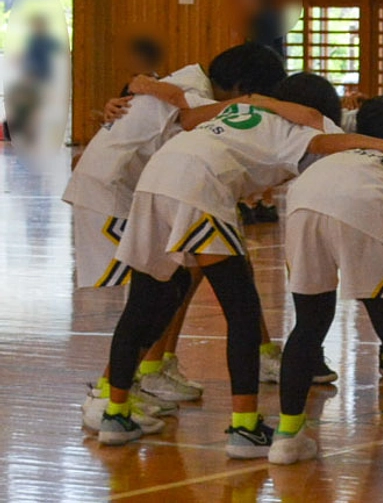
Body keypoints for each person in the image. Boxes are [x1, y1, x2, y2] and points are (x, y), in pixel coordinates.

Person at [95, 72, 383, 458]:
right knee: (243, 313)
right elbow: (325, 137)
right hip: (199, 184)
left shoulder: (237, 111)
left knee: (141, 304)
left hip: (156, 177)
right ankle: (245, 428)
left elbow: (185, 115)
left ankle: (115, 415)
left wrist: (257, 100)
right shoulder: (297, 126)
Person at [70, 44, 289, 433]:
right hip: (113, 193)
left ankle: (135, 382)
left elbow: (154, 94)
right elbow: (190, 115)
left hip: (132, 188)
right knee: (150, 296)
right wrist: (266, 106)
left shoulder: (189, 84)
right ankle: (106, 397)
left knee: (169, 288)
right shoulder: (194, 93)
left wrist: (142, 84)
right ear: (242, 86)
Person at [270, 94, 383, 472]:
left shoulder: (343, 149)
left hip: (302, 203)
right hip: (360, 206)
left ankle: (287, 438)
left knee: (307, 326)